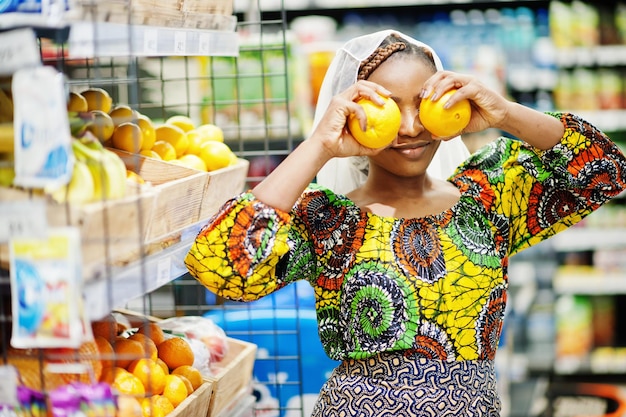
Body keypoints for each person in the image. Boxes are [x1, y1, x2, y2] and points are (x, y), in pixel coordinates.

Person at [185, 29, 626, 416]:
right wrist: (319, 143)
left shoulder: (487, 199)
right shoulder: (327, 219)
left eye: (423, 104)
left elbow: (604, 170)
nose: (411, 127)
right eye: (391, 109)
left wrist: (505, 112)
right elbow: (221, 266)